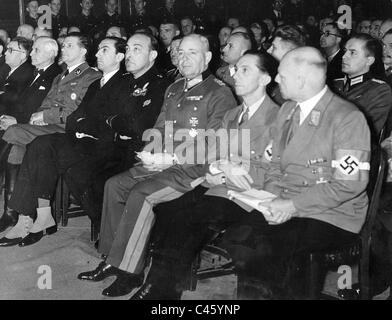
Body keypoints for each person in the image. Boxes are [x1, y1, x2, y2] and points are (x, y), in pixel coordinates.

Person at [131, 47, 372, 300]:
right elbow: (275, 166)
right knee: (238, 237)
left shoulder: (346, 118)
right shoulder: (289, 112)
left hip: (331, 213)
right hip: (283, 200)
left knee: (257, 245)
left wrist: (290, 204)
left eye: (282, 75)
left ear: (302, 78)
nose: (277, 80)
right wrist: (270, 198)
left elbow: (349, 186)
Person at [77, 34, 237, 298]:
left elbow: (217, 145)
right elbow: (160, 127)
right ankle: (112, 258)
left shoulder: (219, 93)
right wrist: (151, 150)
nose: (184, 59)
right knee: (115, 185)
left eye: (192, 53)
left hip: (193, 169)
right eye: (181, 53)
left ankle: (130, 272)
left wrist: (172, 158)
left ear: (207, 58)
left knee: (142, 194)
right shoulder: (174, 88)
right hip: (164, 162)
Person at [0, 34, 168, 248]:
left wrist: (98, 124)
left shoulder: (139, 82)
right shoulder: (104, 83)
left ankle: (104, 227)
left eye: (104, 50)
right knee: (40, 145)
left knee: (65, 163)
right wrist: (95, 124)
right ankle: (39, 217)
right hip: (87, 139)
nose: (97, 53)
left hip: (115, 147)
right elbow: (77, 117)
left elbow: (130, 125)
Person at [0, 33, 101, 233]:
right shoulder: (60, 76)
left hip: (65, 130)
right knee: (19, 149)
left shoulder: (91, 76)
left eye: (69, 46)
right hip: (47, 128)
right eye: (63, 45)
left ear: (83, 51)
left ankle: (20, 215)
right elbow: (45, 103)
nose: (64, 49)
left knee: (12, 133)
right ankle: (21, 217)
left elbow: (77, 111)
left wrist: (46, 116)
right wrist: (39, 115)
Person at [333, 33, 392, 138]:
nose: (344, 56)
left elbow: (365, 133)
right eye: (345, 51)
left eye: (352, 53)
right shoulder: (335, 84)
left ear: (369, 60)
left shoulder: (379, 91)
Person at [267, 24, 307, 105]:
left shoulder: (294, 83)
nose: (268, 50)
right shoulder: (275, 73)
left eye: (274, 47)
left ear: (289, 52)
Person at [216, 32, 252, 97]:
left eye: (230, 46)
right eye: (226, 45)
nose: (224, 49)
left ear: (243, 52)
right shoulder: (220, 72)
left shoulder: (248, 77)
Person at [320, 22, 345, 86]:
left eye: (327, 34)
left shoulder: (343, 61)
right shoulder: (319, 57)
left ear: (338, 39)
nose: (322, 37)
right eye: (322, 33)